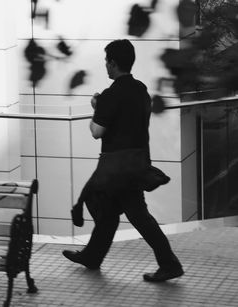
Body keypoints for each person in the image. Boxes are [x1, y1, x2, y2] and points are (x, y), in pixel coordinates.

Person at [62, 39, 184, 282]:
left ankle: (169, 264)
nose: (105, 65)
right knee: (111, 212)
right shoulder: (141, 90)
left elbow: (97, 131)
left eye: (107, 61)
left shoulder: (111, 94)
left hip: (116, 168)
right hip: (136, 162)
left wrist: (97, 106)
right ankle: (93, 256)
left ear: (114, 63)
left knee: (135, 215)